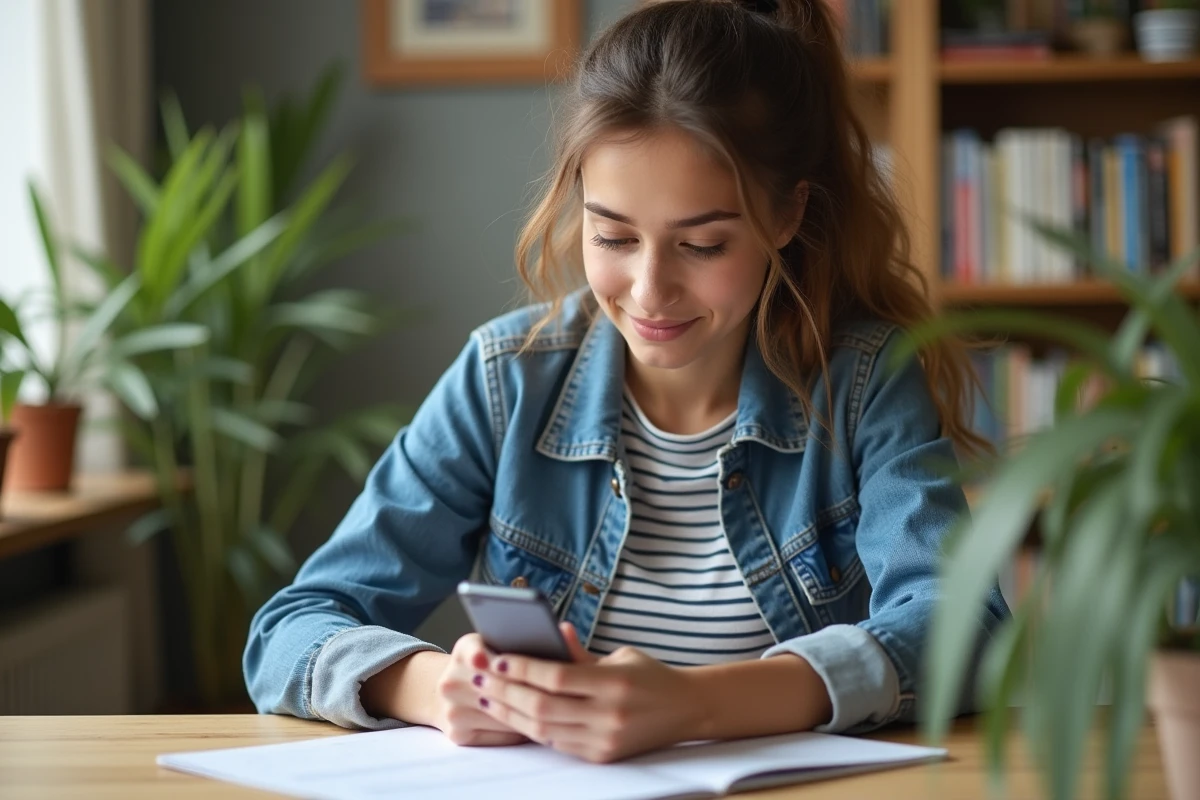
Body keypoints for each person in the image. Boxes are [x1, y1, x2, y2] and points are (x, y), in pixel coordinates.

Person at [244, 0, 1009, 764]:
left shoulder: (867, 381)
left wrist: (699, 704)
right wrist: (437, 686)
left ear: (787, 216)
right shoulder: (506, 379)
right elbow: (293, 627)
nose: (648, 290)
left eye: (703, 244)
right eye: (612, 235)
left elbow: (965, 626)